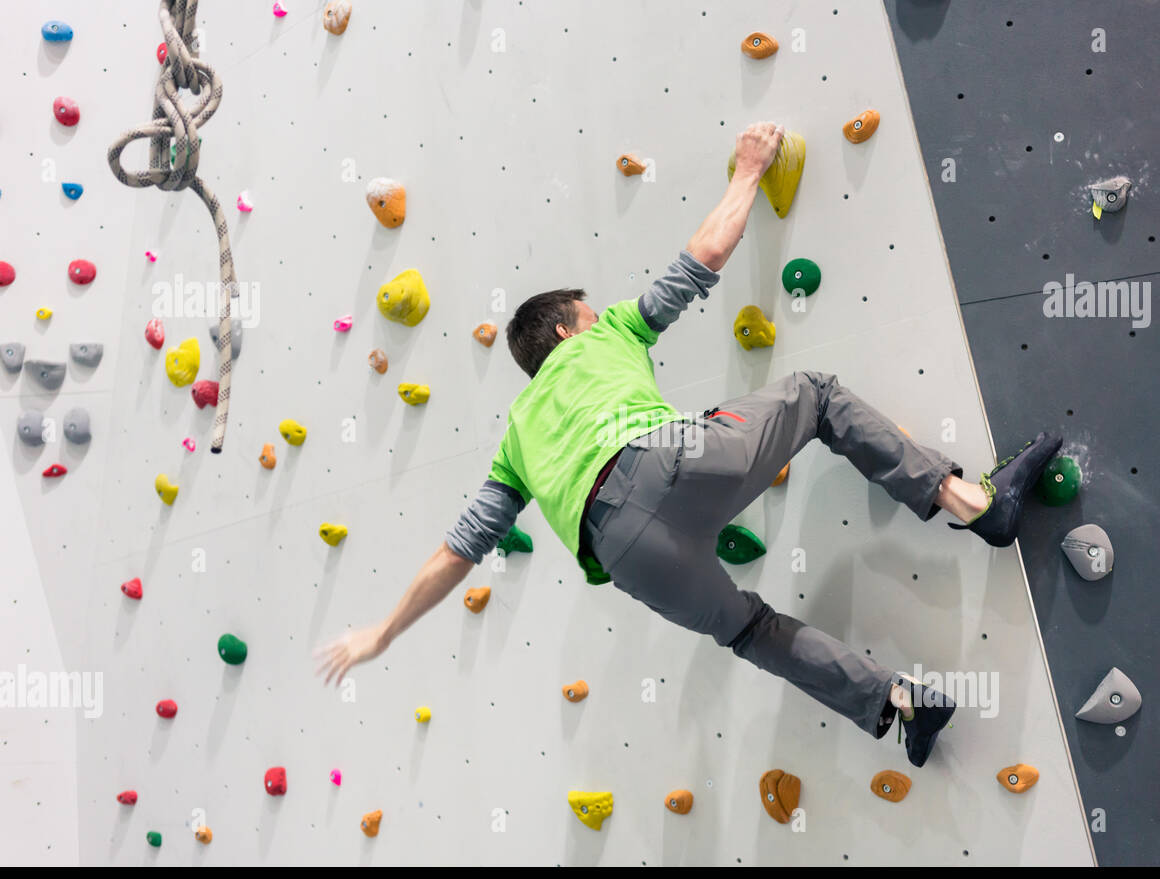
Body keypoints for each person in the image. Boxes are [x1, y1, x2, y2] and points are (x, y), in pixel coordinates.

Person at [315, 121, 1062, 768]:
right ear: (571, 327)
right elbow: (702, 257)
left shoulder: (513, 439)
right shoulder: (605, 334)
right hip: (664, 461)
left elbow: (457, 551)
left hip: (625, 556)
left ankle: (902, 702)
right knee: (816, 395)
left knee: (749, 628)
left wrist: (381, 632)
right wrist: (748, 169)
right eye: (590, 309)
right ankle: (975, 504)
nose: (600, 313)